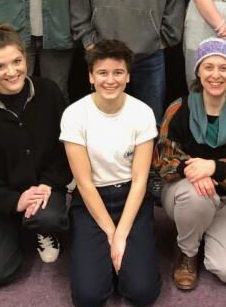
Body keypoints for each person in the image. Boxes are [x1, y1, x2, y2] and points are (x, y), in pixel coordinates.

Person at [0, 25, 71, 287]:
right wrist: (13, 201)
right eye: (0, 67)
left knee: (49, 217)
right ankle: (13, 223)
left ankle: (42, 229)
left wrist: (48, 183)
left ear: (25, 57)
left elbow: (64, 147)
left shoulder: (48, 92)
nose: (11, 72)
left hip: (42, 187)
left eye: (17, 61)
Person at [154, 38, 226, 290]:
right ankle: (188, 252)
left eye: (224, 68)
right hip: (184, 194)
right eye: (208, 67)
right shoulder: (178, 109)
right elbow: (162, 161)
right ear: (198, 72)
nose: (216, 75)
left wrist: (215, 168)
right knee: (197, 195)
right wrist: (193, 171)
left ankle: (207, 228)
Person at [61, 39, 161, 307]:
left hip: (131, 198)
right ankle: (107, 257)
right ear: (91, 77)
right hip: (92, 200)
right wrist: (110, 233)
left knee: (142, 293)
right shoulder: (74, 114)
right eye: (102, 73)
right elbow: (83, 183)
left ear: (128, 76)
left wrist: (122, 233)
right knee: (88, 298)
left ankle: (122, 262)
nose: (110, 80)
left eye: (118, 72)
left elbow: (140, 180)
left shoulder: (142, 113)